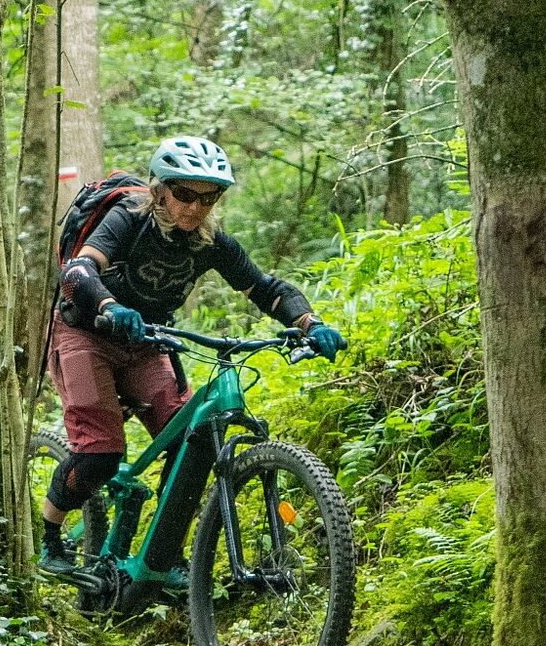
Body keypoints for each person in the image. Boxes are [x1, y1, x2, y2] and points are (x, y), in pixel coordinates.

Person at [39, 134, 344, 577]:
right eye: (184, 194)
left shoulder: (210, 241)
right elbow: (79, 270)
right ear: (160, 190)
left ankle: (163, 556)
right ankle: (50, 534)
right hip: (85, 332)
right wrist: (108, 305)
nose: (194, 207)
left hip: (147, 340)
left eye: (208, 197)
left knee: (189, 444)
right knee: (100, 455)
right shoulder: (128, 218)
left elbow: (266, 289)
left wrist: (310, 323)